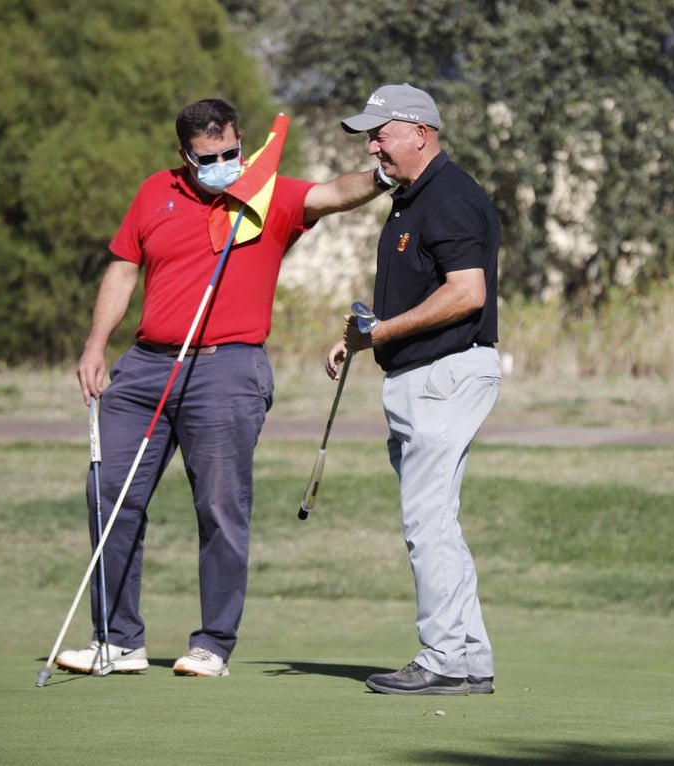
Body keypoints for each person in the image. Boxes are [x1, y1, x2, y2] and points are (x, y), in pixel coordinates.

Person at [55, 98, 389, 678]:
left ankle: (213, 643)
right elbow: (123, 266)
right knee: (108, 493)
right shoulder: (155, 192)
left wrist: (387, 173)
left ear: (242, 140)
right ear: (184, 155)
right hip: (144, 368)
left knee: (218, 504)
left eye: (231, 152)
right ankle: (118, 641)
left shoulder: (267, 192)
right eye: (207, 158)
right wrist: (94, 343)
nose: (222, 164)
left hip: (227, 369)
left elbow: (333, 193)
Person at [325, 84, 502, 695]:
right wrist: (362, 337)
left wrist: (382, 333)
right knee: (439, 524)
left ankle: (444, 658)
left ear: (420, 132)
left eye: (380, 133)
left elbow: (466, 292)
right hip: (424, 374)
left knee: (426, 524)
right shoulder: (410, 198)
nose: (372, 144)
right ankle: (470, 657)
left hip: (443, 373)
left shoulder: (448, 197)